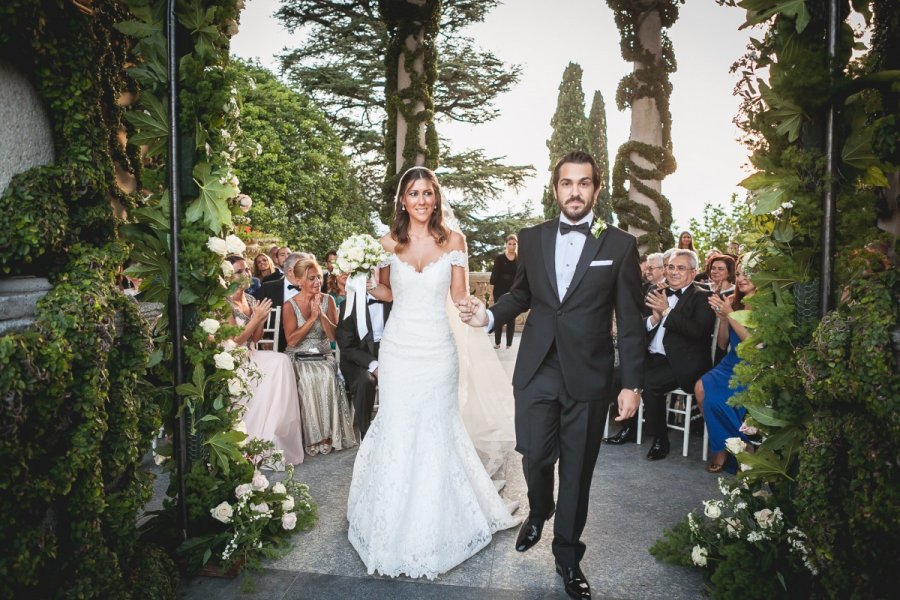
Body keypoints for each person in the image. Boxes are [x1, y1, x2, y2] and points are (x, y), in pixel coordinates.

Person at [459, 151, 645, 600]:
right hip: (538, 366)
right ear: (555, 188)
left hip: (589, 374)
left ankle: (567, 556)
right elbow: (520, 293)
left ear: (596, 190)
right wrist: (487, 316)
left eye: (584, 183)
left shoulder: (619, 244)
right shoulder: (533, 237)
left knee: (577, 472)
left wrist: (632, 383)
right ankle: (539, 508)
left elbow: (632, 318)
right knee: (536, 455)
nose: (575, 191)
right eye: (567, 183)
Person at [347, 166, 519, 580]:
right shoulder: (386, 243)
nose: (421, 200)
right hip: (400, 348)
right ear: (402, 200)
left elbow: (458, 294)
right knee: (398, 424)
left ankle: (440, 522)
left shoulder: (454, 241)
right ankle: (387, 521)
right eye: (413, 193)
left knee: (437, 427)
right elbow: (388, 290)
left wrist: (471, 310)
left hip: (439, 349)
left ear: (436, 199)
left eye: (428, 193)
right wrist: (364, 284)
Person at [633, 249, 716, 461]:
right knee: (620, 373)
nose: (674, 272)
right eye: (671, 267)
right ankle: (629, 425)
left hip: (683, 362)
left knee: (649, 384)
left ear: (693, 272)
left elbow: (698, 331)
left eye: (681, 268)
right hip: (653, 355)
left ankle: (660, 439)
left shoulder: (703, 295)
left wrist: (668, 311)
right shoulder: (656, 290)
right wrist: (654, 318)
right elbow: (639, 326)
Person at [224, 255, 304, 465]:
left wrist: (259, 319)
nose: (246, 274)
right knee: (274, 365)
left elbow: (256, 338)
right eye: (239, 271)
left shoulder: (250, 299)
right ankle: (254, 435)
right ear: (227, 276)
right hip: (230, 357)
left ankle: (273, 435)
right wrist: (257, 318)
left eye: (247, 270)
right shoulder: (224, 302)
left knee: (281, 361)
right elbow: (235, 340)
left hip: (250, 352)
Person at [283, 257, 356, 456]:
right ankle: (311, 436)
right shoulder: (289, 306)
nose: (317, 282)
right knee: (306, 378)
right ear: (299, 281)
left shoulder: (328, 300)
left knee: (327, 375)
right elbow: (291, 341)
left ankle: (327, 435)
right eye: (311, 279)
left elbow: (333, 336)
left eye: (319, 278)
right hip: (298, 356)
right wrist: (311, 319)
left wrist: (321, 316)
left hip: (323, 356)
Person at [696, 261, 755, 473]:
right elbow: (722, 344)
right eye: (739, 273)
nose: (741, 278)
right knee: (701, 389)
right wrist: (723, 319)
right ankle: (724, 445)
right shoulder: (733, 301)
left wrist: (730, 314)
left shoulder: (767, 307)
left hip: (754, 365)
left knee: (720, 400)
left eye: (748, 273)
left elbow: (753, 345)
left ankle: (737, 447)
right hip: (731, 362)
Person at [336, 287, 390, 441]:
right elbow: (347, 346)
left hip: (389, 352)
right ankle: (366, 435)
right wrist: (374, 366)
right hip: (358, 357)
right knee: (366, 380)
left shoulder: (395, 301)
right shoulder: (348, 305)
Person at [254, 252, 306, 352]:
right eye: (304, 268)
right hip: (276, 345)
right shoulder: (267, 288)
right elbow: (258, 317)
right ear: (290, 271)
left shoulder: (313, 287)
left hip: (306, 346)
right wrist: (265, 338)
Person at [489, 233, 519, 349]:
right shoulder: (500, 258)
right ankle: (497, 343)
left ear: (517, 245)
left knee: (511, 317)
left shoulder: (520, 259)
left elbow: (522, 277)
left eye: (514, 244)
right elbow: (494, 277)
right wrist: (491, 295)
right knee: (499, 316)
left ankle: (509, 344)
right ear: (506, 245)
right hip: (500, 290)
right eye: (510, 244)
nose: (512, 246)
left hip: (514, 291)